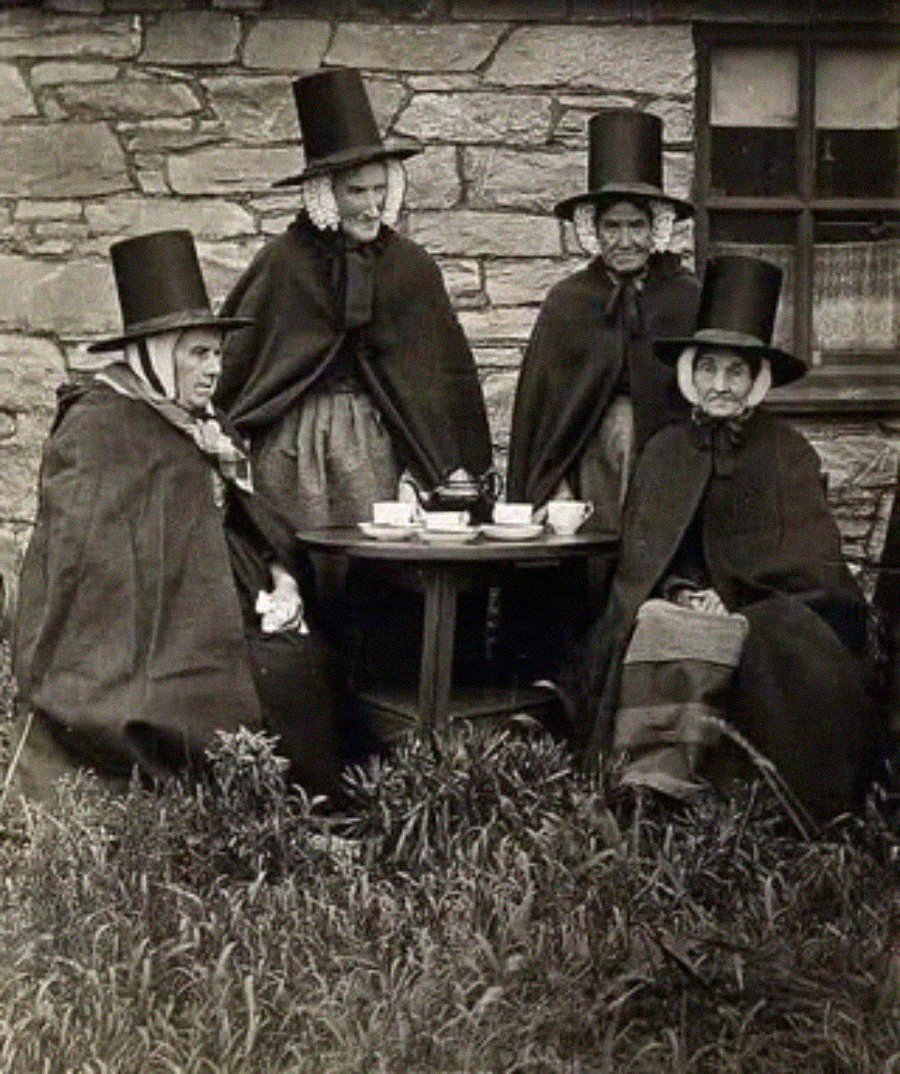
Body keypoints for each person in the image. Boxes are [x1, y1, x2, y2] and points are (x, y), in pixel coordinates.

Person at [13, 230, 348, 801]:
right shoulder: (98, 427)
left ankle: (290, 802)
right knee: (253, 683)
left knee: (300, 659)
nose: (214, 369)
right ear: (157, 356)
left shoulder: (203, 424)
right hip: (140, 641)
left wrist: (282, 580)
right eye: (198, 353)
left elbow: (254, 525)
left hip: (225, 608)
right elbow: (84, 571)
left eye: (217, 353)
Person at [574, 254, 876, 823]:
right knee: (651, 621)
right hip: (680, 600)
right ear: (690, 372)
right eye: (709, 368)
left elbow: (810, 563)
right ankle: (654, 787)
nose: (720, 384)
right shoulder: (663, 451)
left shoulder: (787, 451)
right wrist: (684, 588)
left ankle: (758, 798)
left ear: (755, 380)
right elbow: (646, 555)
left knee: (777, 640)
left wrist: (735, 599)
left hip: (768, 607)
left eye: (735, 371)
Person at [215, 66, 493, 531]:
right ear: (324, 194)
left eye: (378, 189)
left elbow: (441, 374)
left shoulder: (411, 266)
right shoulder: (283, 262)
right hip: (290, 443)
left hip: (377, 442)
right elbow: (239, 362)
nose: (370, 205)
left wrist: (435, 460)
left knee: (373, 568)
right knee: (295, 555)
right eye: (355, 191)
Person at [507, 108, 699, 526]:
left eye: (636, 226)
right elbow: (545, 416)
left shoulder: (685, 297)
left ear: (656, 230)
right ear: (593, 230)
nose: (625, 240)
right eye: (612, 226)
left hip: (666, 465)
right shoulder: (569, 302)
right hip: (586, 466)